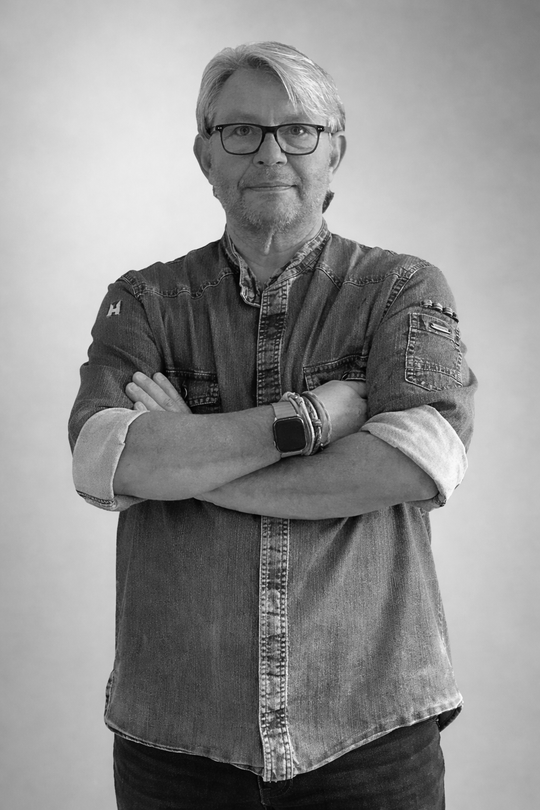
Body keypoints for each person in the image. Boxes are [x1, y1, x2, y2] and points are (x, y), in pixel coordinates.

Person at [69, 41, 476, 810]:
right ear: (205, 155)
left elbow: (417, 464)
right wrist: (309, 420)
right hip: (177, 737)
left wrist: (193, 462)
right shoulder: (144, 301)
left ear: (335, 151)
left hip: (371, 731)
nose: (270, 152)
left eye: (298, 130)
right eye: (241, 130)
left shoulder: (402, 289)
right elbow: (103, 463)